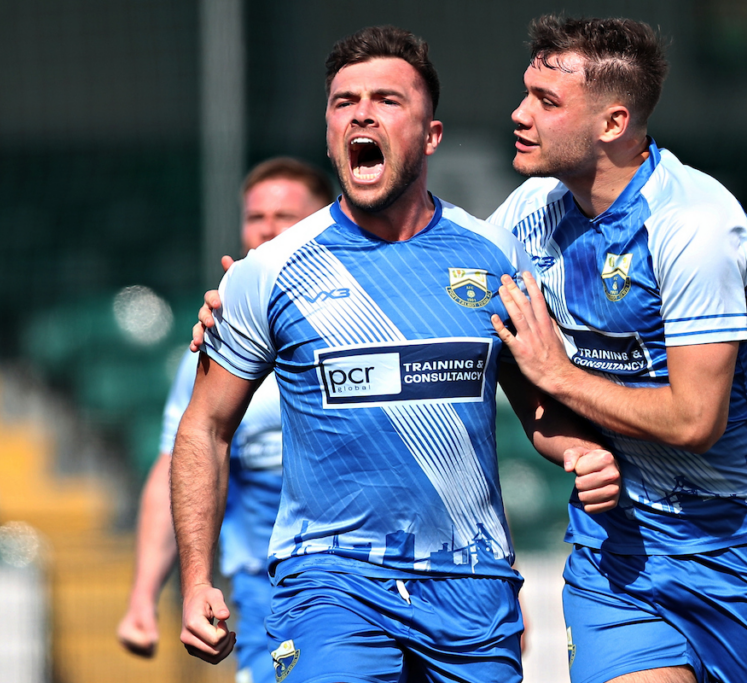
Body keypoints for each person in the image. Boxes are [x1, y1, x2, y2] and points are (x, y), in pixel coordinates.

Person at [171, 25, 619, 683]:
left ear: (430, 135)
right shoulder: (267, 273)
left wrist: (580, 450)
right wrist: (195, 577)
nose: (360, 113)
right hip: (330, 582)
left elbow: (539, 407)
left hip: (471, 585)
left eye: (386, 99)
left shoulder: (495, 259)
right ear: (329, 134)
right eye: (343, 101)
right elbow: (204, 425)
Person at [486, 15, 747, 683]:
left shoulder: (694, 225)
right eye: (527, 92)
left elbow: (696, 420)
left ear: (613, 123)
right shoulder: (527, 215)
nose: (519, 112)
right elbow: (472, 320)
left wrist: (559, 373)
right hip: (619, 544)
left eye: (546, 101)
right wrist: (258, 305)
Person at [116, 157, 333, 683]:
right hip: (267, 592)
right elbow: (179, 461)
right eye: (256, 216)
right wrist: (145, 594)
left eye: (286, 215)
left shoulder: (365, 326)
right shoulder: (219, 340)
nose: (267, 229)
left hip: (369, 576)